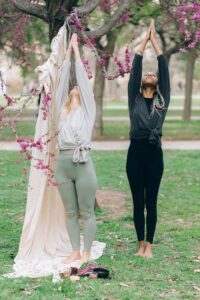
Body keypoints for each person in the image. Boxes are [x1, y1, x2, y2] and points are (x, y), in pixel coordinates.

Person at [126, 19, 170, 258]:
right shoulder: (134, 97)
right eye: (147, 73)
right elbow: (136, 66)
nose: (151, 74)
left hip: (155, 155)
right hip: (135, 154)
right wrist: (145, 40)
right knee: (137, 202)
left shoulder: (163, 100)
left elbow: (163, 67)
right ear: (142, 82)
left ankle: (149, 245)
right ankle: (139, 243)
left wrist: (156, 41)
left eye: (154, 74)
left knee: (151, 201)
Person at [55, 33, 97, 264]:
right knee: (70, 212)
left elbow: (80, 79)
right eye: (71, 88)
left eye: (77, 88)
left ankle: (87, 251)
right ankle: (75, 250)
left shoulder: (88, 110)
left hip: (83, 165)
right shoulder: (61, 112)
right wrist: (67, 55)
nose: (74, 88)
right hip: (62, 165)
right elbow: (63, 81)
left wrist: (77, 51)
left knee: (86, 212)